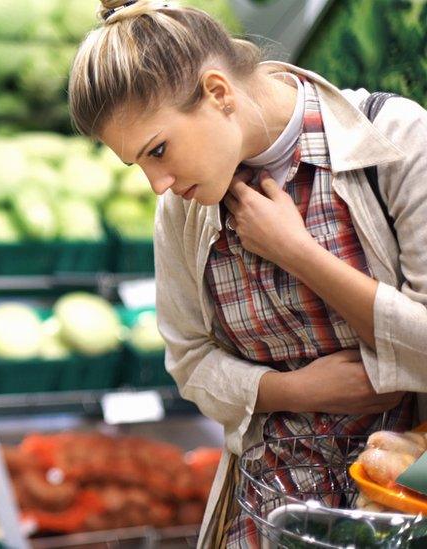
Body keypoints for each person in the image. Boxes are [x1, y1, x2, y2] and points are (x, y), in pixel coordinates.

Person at [67, 0, 427, 546]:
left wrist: (297, 253)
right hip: (258, 515)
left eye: (159, 150)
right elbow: (189, 360)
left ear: (218, 92)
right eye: (139, 164)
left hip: (397, 514)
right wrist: (293, 391)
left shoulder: (396, 140)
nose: (157, 184)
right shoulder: (183, 211)